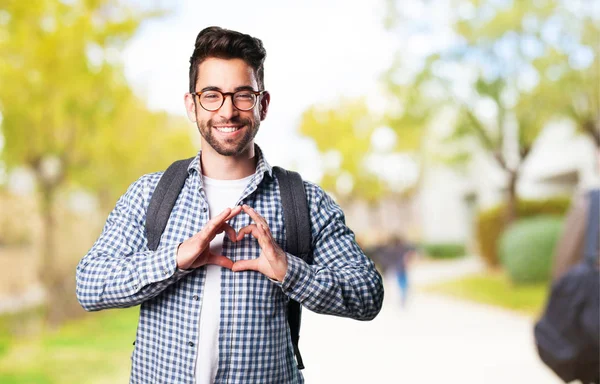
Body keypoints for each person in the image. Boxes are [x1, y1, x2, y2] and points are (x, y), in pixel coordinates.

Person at [75, 26, 384, 384]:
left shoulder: (305, 201)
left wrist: (288, 270)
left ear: (262, 104)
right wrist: (175, 259)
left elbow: (367, 294)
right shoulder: (150, 194)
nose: (228, 110)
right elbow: (89, 285)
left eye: (242, 95)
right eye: (212, 95)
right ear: (192, 105)